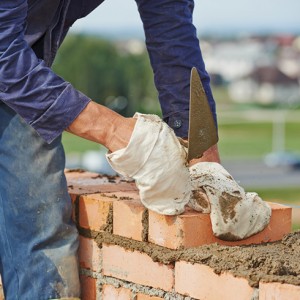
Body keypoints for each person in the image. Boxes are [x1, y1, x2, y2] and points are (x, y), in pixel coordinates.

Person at [0, 0, 222, 298]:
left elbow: (171, 27)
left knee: (39, 223)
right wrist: (116, 131)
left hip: (14, 67)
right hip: (7, 59)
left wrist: (204, 157)